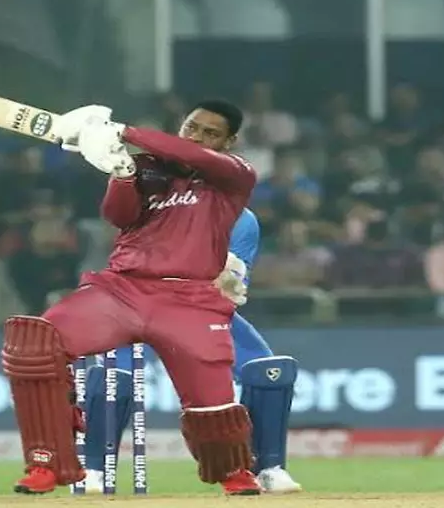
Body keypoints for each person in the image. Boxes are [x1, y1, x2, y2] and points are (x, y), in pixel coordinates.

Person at [1, 100, 262, 496]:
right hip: (123, 289)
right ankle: (46, 463)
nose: (197, 138)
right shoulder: (146, 168)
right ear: (181, 125)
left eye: (211, 133)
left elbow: (194, 156)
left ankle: (233, 472)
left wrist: (122, 130)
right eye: (192, 127)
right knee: (35, 343)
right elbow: (118, 216)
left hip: (190, 299)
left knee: (212, 402)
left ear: (229, 142)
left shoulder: (235, 174)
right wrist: (122, 173)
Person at [80, 208, 302, 494]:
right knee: (114, 374)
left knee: (269, 371)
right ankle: (93, 470)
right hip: (136, 304)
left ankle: (269, 468)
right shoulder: (154, 207)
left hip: (200, 308)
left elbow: (231, 286)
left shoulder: (240, 219)